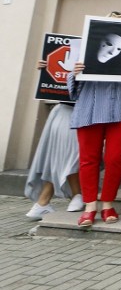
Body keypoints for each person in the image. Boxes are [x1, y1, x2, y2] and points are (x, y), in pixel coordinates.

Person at [68, 12, 121, 227]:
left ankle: (108, 203)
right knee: (88, 159)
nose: (113, 50)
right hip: (90, 109)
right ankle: (90, 205)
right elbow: (72, 87)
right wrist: (75, 73)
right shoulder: (87, 47)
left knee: (115, 158)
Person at [25, 83, 82, 219]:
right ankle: (75, 196)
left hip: (74, 110)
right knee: (69, 155)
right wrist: (45, 68)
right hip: (68, 110)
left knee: (65, 155)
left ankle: (44, 202)